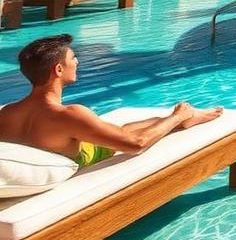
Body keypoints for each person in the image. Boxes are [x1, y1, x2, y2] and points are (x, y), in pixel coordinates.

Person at [0, 34, 223, 167]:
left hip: (50, 149)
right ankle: (186, 116)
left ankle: (185, 117)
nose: (76, 62)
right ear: (58, 69)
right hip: (76, 152)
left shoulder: (7, 113)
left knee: (124, 127)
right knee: (130, 133)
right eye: (73, 58)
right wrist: (177, 116)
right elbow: (136, 145)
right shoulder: (69, 115)